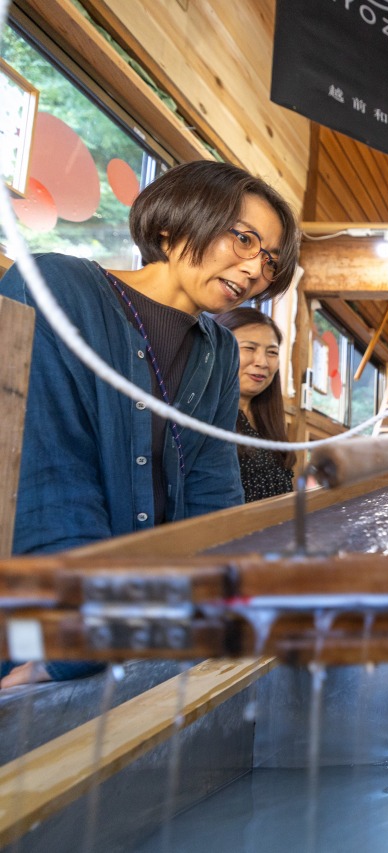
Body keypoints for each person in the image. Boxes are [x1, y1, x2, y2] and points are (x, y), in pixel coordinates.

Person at [0, 160, 300, 686]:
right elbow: (47, 475)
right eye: (245, 240)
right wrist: (74, 645)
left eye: (271, 260)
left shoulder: (220, 350)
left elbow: (214, 498)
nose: (257, 270)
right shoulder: (53, 285)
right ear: (173, 223)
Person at [215, 307, 297, 501]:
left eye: (272, 352)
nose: (262, 362)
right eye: (249, 348)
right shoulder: (202, 415)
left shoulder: (268, 421)